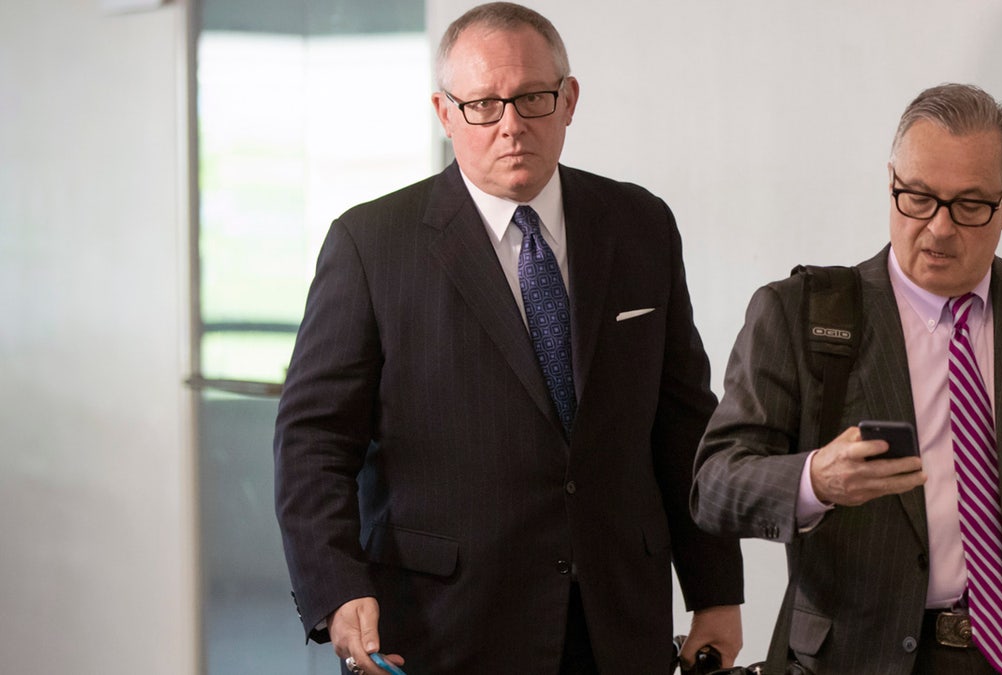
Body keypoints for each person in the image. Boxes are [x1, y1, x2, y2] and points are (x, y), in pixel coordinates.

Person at [273, 3, 743, 674]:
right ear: (444, 113)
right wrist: (337, 587)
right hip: (447, 623)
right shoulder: (371, 245)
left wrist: (716, 590)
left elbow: (683, 423)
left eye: (531, 98)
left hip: (619, 620)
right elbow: (313, 440)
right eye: (483, 106)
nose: (512, 125)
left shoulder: (639, 224)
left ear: (569, 99)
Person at [691, 83, 1002, 674]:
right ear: (891, 183)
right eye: (917, 198)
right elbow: (713, 486)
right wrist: (814, 480)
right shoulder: (799, 313)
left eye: (969, 206)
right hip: (859, 658)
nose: (937, 229)